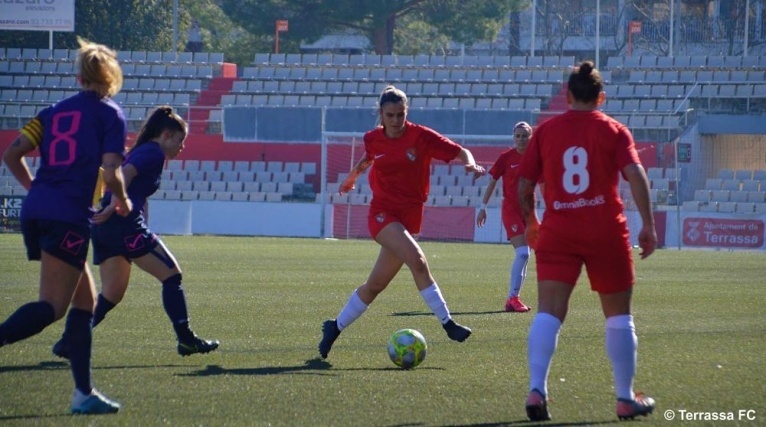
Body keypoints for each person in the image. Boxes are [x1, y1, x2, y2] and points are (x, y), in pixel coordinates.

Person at [517, 61, 657, 422]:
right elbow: (636, 174)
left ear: (567, 96)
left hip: (559, 229)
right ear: (601, 97)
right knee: (618, 316)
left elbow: (525, 184)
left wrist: (532, 220)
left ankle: (536, 390)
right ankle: (625, 398)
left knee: (548, 311)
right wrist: (648, 225)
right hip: (604, 230)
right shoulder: (614, 130)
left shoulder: (546, 132)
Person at [0, 37, 131, 414]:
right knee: (52, 307)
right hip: (67, 216)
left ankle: (83, 393)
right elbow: (111, 170)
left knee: (85, 302)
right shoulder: (110, 114)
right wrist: (121, 200)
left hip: (38, 210)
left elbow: (12, 153)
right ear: (110, 77)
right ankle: (82, 393)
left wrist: (38, 190)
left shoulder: (52, 112)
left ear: (79, 77)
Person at [318, 85, 485, 359]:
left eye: (401, 114)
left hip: (411, 216)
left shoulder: (421, 136)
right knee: (417, 261)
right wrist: (352, 177)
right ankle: (448, 323)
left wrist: (470, 164)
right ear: (381, 114)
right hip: (383, 214)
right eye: (390, 115)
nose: (396, 121)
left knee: (375, 286)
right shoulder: (372, 138)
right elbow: (369, 157)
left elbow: (460, 151)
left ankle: (333, 327)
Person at [52, 106, 219, 359]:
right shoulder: (153, 152)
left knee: (112, 293)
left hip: (108, 229)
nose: (181, 147)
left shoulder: (142, 152)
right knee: (172, 276)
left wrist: (129, 214)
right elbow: (124, 175)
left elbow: (134, 187)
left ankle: (69, 341)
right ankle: (186, 340)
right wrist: (111, 206)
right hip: (123, 225)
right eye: (179, 140)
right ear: (165, 135)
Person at [476, 122, 534, 313]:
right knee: (523, 253)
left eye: (524, 136)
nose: (520, 140)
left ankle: (514, 298)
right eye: (517, 136)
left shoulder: (536, 157)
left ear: (530, 137)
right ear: (513, 137)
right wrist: (483, 207)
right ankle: (512, 298)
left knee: (527, 255)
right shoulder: (506, 158)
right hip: (511, 210)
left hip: (528, 211)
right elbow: (492, 182)